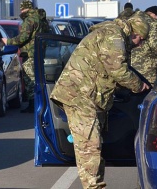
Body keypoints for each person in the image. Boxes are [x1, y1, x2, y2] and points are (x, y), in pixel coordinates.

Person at [50, 15, 150, 189]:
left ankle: (95, 185)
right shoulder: (114, 35)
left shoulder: (114, 35)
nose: (139, 45)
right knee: (90, 147)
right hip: (79, 97)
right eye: (140, 40)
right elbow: (118, 70)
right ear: (134, 33)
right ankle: (93, 187)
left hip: (89, 97)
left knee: (94, 146)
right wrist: (139, 86)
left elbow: (107, 71)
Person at [2, 0, 48, 113]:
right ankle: (38, 103)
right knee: (37, 79)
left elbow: (23, 38)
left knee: (30, 80)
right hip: (39, 52)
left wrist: (7, 41)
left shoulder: (29, 20)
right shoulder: (41, 19)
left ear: (24, 9)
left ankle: (33, 105)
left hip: (30, 53)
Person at [130, 5, 157, 85]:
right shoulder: (152, 22)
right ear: (155, 16)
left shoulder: (131, 19)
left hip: (128, 73)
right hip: (145, 75)